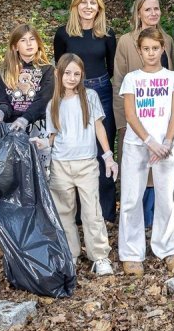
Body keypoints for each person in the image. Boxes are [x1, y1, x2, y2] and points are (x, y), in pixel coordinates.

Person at [38, 54, 117, 276]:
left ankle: (99, 256)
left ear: (82, 76)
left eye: (77, 74)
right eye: (67, 73)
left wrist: (108, 155)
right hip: (60, 165)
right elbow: (53, 137)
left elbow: (99, 127)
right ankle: (70, 253)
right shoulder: (53, 103)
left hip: (87, 164)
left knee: (92, 211)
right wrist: (43, 142)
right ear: (58, 74)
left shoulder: (89, 96)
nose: (72, 78)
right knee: (64, 212)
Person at [119, 27, 174, 276]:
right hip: (138, 146)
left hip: (166, 147)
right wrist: (150, 141)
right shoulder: (131, 79)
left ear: (162, 49)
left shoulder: (173, 78)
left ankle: (167, 248)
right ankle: (131, 252)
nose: (150, 53)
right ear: (139, 50)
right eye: (146, 49)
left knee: (165, 198)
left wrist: (166, 142)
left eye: (155, 48)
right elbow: (130, 115)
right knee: (130, 199)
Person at [54, 0, 118, 222]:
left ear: (99, 7)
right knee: (76, 147)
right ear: (75, 6)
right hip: (72, 92)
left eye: (93, 3)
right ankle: (79, 214)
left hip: (101, 90)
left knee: (104, 149)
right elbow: (61, 68)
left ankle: (106, 212)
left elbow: (113, 68)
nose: (88, 7)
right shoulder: (63, 34)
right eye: (84, 2)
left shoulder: (108, 34)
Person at [113, 0, 174, 230]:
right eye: (147, 9)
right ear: (138, 13)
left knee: (158, 171)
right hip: (135, 122)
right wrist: (123, 120)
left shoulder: (167, 40)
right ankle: (137, 223)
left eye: (156, 9)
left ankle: (156, 223)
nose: (153, 13)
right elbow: (118, 82)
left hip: (160, 121)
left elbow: (169, 78)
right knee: (137, 173)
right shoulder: (126, 41)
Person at [0, 24, 54, 133]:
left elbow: (44, 100)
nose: (29, 43)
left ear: (38, 43)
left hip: (39, 126)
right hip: (10, 128)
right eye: (23, 40)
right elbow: (0, 100)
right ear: (15, 47)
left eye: (32, 39)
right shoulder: (5, 72)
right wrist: (0, 111)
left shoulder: (48, 70)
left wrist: (25, 118)